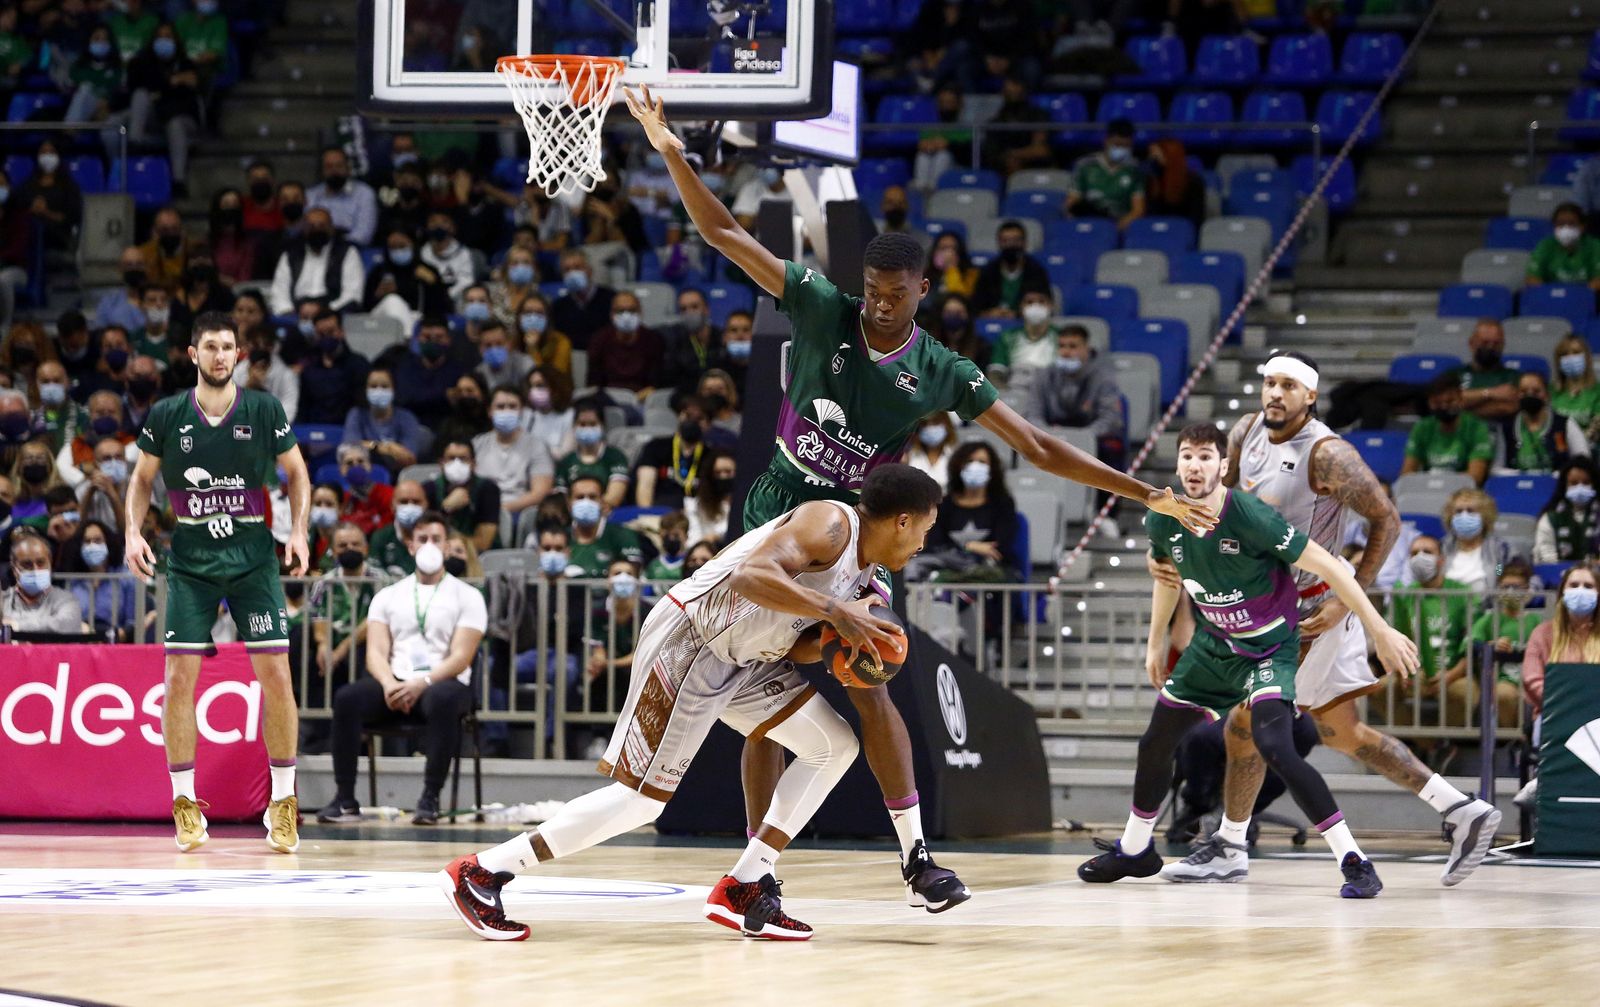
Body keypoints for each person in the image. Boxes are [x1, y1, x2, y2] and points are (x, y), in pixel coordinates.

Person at [626, 83, 1214, 912]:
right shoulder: (821, 304)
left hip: (861, 530)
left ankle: (917, 858)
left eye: (894, 294)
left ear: (922, 292)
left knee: (872, 674)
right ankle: (757, 874)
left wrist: (1143, 490)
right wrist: (670, 150)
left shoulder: (941, 368)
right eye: (871, 289)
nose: (878, 303)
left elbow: (1037, 445)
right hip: (779, 509)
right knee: (765, 689)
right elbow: (722, 232)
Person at [436, 464, 939, 941]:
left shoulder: (864, 575)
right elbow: (751, 576)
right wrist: (836, 612)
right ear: (903, 521)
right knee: (641, 801)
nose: (923, 544)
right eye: (925, 530)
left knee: (833, 746)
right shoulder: (830, 524)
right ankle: (483, 871)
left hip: (746, 658)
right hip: (692, 640)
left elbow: (795, 641)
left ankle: (746, 883)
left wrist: (835, 646)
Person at [1153, 353, 1501, 887]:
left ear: (1310, 396)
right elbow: (1229, 508)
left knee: (1244, 726)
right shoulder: (1245, 432)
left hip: (1311, 609)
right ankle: (1461, 810)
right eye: (1270, 382)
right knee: (1343, 733)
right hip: (1274, 602)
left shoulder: (1329, 453)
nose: (1275, 393)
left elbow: (1387, 519)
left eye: (1289, 385)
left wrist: (1347, 598)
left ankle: (1230, 845)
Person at [1085, 423, 1420, 897]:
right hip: (1214, 646)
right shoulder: (1162, 516)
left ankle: (1354, 860)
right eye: (1187, 456)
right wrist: (1155, 642)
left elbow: (1329, 565)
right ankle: (1135, 849)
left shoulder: (1249, 515)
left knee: (1276, 747)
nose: (1194, 465)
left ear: (1224, 466)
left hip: (1269, 647)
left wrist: (1379, 628)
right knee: (1155, 741)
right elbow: (1166, 576)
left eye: (1205, 456)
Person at [125, 311, 312, 854]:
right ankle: (184, 803)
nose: (221, 355)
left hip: (253, 558)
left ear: (238, 354)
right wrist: (133, 532)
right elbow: (141, 479)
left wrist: (299, 531)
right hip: (191, 561)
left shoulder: (264, 408)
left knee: (276, 674)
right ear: (193, 354)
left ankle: (283, 803)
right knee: (178, 677)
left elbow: (297, 472)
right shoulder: (167, 413)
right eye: (211, 347)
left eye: (228, 347)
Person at [318, 511, 480, 826]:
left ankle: (430, 798)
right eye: (422, 539)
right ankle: (345, 799)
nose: (429, 545)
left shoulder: (468, 596)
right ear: (410, 545)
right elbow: (376, 652)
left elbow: (462, 656)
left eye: (436, 539)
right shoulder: (388, 595)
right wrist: (389, 683)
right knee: (347, 699)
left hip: (443, 683)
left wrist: (423, 682)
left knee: (444, 700)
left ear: (447, 546)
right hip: (395, 683)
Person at [1389, 534, 1476, 730]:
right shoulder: (1404, 595)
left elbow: (1472, 642)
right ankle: (1422, 741)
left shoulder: (1463, 593)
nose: (1420, 558)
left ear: (1441, 559)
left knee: (1466, 692)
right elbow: (1392, 639)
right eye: (1414, 553)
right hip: (1413, 671)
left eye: (1427, 552)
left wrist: (1451, 675)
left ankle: (1436, 742)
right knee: (1380, 688)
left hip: (1452, 672)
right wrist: (1401, 672)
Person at [905, 440, 1019, 584]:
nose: (975, 466)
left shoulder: (1003, 504)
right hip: (947, 568)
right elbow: (935, 544)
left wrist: (962, 549)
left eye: (982, 462)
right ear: (959, 466)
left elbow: (1000, 548)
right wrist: (969, 547)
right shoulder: (943, 504)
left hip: (990, 571)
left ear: (992, 468)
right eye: (969, 461)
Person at [1522, 563, 1600, 724]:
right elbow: (1531, 679)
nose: (1580, 591)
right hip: (1553, 714)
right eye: (1574, 585)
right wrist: (1563, 703)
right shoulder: (1542, 633)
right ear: (1562, 592)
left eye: (1588, 586)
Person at [1467, 558, 1539, 729]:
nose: (1511, 592)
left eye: (1517, 587)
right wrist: (1491, 645)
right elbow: (1472, 643)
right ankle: (1512, 739)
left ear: (1527, 589)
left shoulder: (1536, 620)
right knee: (1503, 695)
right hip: (1504, 680)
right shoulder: (1490, 619)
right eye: (1506, 587)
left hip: (1532, 679)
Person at [473, 384, 554, 528]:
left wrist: (502, 509)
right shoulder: (477, 444)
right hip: (481, 512)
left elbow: (540, 492)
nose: (506, 411)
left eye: (512, 406)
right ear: (490, 411)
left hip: (519, 512)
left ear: (521, 411)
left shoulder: (537, 446)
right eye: (500, 407)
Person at [268, 207, 366, 315]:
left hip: (332, 313)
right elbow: (279, 292)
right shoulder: (290, 254)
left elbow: (352, 294)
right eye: (311, 226)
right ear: (304, 229)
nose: (317, 230)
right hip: (296, 313)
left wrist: (324, 312)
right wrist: (290, 312)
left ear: (332, 228)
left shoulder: (347, 252)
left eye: (322, 225)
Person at [1402, 373, 1494, 485]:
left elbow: (1475, 477)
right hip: (1429, 488)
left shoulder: (1476, 427)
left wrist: (1440, 480)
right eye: (1437, 403)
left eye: (1450, 401)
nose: (1444, 407)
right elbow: (1406, 474)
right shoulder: (1422, 427)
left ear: (1460, 399)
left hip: (1462, 491)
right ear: (1429, 403)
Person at [59, 519, 137, 641]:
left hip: (116, 642)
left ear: (108, 543)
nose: (92, 546)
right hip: (80, 642)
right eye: (87, 541)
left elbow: (132, 622)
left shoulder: (126, 578)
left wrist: (113, 637)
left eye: (98, 540)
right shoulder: (71, 582)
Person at [634, 395, 714, 509]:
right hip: (660, 511)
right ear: (679, 416)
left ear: (709, 425)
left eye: (699, 418)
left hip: (698, 514)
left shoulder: (712, 455)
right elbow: (645, 486)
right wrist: (648, 514)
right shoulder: (656, 446)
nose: (692, 422)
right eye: (688, 416)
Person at [343, 367, 430, 472]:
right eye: (373, 386)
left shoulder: (407, 418)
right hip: (363, 472)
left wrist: (370, 447)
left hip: (398, 474)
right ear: (365, 390)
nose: (379, 390)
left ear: (394, 390)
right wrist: (382, 447)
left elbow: (409, 457)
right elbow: (350, 446)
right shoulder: (356, 414)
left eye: (384, 386)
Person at [3, 529, 87, 634]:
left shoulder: (67, 600)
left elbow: (65, 625)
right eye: (27, 564)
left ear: (50, 563)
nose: (35, 569)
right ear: (14, 569)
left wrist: (17, 625)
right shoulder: (3, 600)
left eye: (41, 562)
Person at [1066, 118, 1145, 229]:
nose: (1121, 149)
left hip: (1119, 225)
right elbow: (1071, 202)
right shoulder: (1085, 166)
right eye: (1117, 144)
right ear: (1106, 141)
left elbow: (1138, 210)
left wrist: (1114, 229)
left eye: (1126, 146)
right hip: (1089, 222)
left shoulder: (1135, 170)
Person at [587, 290, 665, 400]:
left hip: (643, 399)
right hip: (607, 398)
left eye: (632, 310)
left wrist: (635, 399)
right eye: (620, 311)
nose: (626, 316)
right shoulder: (599, 340)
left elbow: (655, 383)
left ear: (641, 313)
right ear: (612, 314)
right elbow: (593, 383)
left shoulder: (653, 340)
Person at [1440, 487, 1521, 594]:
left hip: (1487, 603)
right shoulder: (1442, 548)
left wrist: (1499, 575)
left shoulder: (1500, 550)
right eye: (1459, 511)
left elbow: (1501, 573)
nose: (1464, 516)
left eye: (1470, 511)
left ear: (1484, 516)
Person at [298, 308, 371, 425]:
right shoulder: (309, 368)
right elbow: (303, 408)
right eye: (321, 334)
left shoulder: (359, 364)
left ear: (342, 332)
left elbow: (362, 407)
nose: (327, 337)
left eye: (331, 332)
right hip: (315, 429)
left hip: (348, 429)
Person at [553, 400, 631, 509]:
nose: (587, 428)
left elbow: (614, 497)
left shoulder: (616, 457)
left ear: (603, 426)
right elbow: (561, 499)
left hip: (609, 513)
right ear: (574, 427)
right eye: (582, 424)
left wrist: (594, 510)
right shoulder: (566, 461)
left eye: (593, 424)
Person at [364, 229, 452, 326]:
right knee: (393, 301)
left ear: (413, 245)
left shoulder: (427, 271)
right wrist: (377, 296)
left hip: (420, 320)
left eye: (402, 246)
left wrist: (432, 284)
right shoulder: (379, 272)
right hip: (383, 323)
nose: (398, 251)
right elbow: (364, 307)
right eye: (393, 247)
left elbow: (443, 306)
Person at [426, 438, 501, 552]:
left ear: (473, 464)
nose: (457, 464)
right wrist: (445, 510)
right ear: (441, 463)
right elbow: (425, 536)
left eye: (463, 459)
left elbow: (483, 543)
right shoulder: (429, 489)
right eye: (451, 458)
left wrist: (448, 544)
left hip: (478, 556)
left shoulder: (488, 489)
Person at [562, 474, 646, 576]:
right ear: (569, 503)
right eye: (580, 497)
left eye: (592, 497)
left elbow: (632, 573)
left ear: (602, 501)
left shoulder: (623, 535)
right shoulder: (561, 536)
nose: (586, 502)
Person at [394, 315, 468, 429]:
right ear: (418, 339)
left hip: (445, 429)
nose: (433, 342)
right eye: (427, 337)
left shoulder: (458, 370)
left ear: (448, 339)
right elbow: (405, 398)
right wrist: (443, 396)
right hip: (411, 426)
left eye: (439, 337)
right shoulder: (405, 366)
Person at [1507, 369, 1587, 471]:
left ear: (1547, 394)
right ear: (1517, 394)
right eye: (1523, 391)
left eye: (1536, 391)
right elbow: (1496, 468)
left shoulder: (1565, 423)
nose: (1530, 395)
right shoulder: (1506, 427)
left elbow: (1583, 462)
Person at [15, 140, 83, 255]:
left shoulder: (68, 187)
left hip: (58, 239)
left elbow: (72, 217)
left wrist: (45, 212)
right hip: (28, 239)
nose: (47, 156)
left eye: (51, 152)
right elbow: (17, 208)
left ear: (58, 156)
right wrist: (32, 210)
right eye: (43, 152)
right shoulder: (28, 185)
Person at [970, 221, 1051, 318]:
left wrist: (1017, 314)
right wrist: (990, 313)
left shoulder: (1036, 272)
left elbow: (1045, 305)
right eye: (1005, 241)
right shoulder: (988, 271)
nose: (1011, 245)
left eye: (1016, 240)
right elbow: (975, 307)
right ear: (999, 243)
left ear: (1025, 243)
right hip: (993, 320)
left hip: (1025, 322)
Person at [987, 288, 1061, 389]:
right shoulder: (1007, 337)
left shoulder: (1060, 336)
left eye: (1041, 301)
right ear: (1021, 307)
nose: (1035, 306)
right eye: (1029, 302)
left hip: (1051, 389)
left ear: (1051, 306)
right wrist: (1005, 393)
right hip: (1015, 389)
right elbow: (995, 373)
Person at [307, 146, 379, 247]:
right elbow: (306, 229)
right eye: (329, 166)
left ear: (348, 168)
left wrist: (334, 246)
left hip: (352, 249)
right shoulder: (311, 195)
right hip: (316, 248)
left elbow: (364, 235)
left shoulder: (364, 193)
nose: (334, 171)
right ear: (322, 170)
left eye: (339, 166)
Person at [661, 287, 728, 394]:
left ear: (706, 309)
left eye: (694, 307)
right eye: (683, 309)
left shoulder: (721, 338)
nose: (689, 312)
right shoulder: (674, 340)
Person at [1534, 457, 1600, 563]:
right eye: (1574, 483)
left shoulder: (1597, 515)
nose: (1580, 488)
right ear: (1564, 485)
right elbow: (1546, 559)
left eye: (1586, 483)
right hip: (1559, 572)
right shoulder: (1551, 518)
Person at [549, 250, 615, 350]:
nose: (572, 273)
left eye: (577, 268)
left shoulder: (611, 299)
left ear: (590, 271)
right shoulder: (558, 306)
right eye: (567, 270)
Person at [1525, 202, 1600, 288]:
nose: (1566, 229)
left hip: (1587, 294)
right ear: (1554, 226)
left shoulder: (1595, 246)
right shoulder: (1545, 245)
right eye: (1560, 224)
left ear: (1582, 226)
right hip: (1552, 294)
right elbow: (1532, 278)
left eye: (1572, 224)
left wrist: (1577, 293)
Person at [333, 442, 394, 536]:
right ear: (341, 470)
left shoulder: (389, 494)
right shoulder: (342, 500)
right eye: (349, 463)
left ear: (370, 466)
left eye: (360, 461)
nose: (356, 466)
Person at [1144, 138, 1206, 230]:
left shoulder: (1193, 183)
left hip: (1182, 231)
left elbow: (1196, 219)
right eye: (1152, 157)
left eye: (1157, 157)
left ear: (1171, 156)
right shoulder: (1151, 181)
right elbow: (1149, 215)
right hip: (1156, 230)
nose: (1153, 160)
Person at [370, 478, 426, 576]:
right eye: (404, 502)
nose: (410, 507)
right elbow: (374, 575)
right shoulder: (380, 537)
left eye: (416, 502)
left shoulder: (434, 537)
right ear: (392, 505)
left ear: (426, 504)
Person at [1551, 333, 1600, 442]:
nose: (1570, 358)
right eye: (1565, 354)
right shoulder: (1551, 391)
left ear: (1586, 357)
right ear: (1558, 360)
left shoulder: (1597, 391)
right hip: (1557, 447)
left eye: (1576, 353)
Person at [420, 213, 478, 301]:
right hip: (429, 298)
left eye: (444, 221)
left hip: (456, 298)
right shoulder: (422, 252)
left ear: (452, 227)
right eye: (433, 221)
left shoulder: (463, 252)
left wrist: (447, 295)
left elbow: (467, 281)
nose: (438, 226)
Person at [95, 247, 155, 333]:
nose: (134, 269)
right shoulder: (108, 303)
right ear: (120, 269)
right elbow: (100, 334)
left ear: (146, 267)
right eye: (129, 265)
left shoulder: (158, 300)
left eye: (139, 264)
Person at [927, 293, 990, 371]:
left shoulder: (981, 347)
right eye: (949, 313)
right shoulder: (930, 345)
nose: (953, 316)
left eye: (959, 313)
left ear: (968, 315)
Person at [517, 292, 573, 380]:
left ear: (547, 318)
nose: (533, 318)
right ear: (519, 317)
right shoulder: (513, 341)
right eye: (527, 312)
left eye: (539, 313)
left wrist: (532, 349)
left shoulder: (561, 342)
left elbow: (553, 380)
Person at [524, 365, 575, 459]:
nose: (534, 391)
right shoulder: (527, 415)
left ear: (555, 387)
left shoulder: (570, 415)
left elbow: (564, 455)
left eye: (540, 385)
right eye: (531, 386)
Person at [686, 450, 736, 547]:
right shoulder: (698, 505)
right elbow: (694, 538)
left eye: (728, 472)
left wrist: (718, 536)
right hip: (709, 550)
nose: (723, 476)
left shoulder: (748, 503)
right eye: (718, 472)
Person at [903, 412, 957, 492]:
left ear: (947, 425)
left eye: (936, 423)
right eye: (924, 424)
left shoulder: (956, 455)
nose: (930, 428)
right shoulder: (907, 457)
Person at [925, 233, 979, 304]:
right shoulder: (926, 274)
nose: (948, 254)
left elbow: (959, 299)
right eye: (943, 248)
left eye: (953, 249)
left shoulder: (971, 273)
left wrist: (951, 269)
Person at [644, 509, 690, 581]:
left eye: (676, 535)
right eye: (666, 535)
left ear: (686, 536)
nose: (671, 539)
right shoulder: (654, 566)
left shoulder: (690, 564)